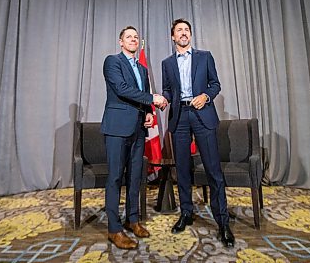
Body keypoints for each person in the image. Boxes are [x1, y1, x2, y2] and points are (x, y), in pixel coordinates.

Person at [161, 18, 235, 247]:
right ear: (173, 37)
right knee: (182, 170)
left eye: (186, 30)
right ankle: (186, 213)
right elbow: (166, 89)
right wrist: (164, 99)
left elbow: (215, 84)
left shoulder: (205, 56)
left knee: (213, 170)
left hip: (202, 115)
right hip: (180, 117)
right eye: (179, 31)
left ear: (190, 35)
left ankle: (222, 222)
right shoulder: (167, 63)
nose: (183, 33)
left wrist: (206, 96)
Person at [101, 26, 168, 250]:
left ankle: (132, 220)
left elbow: (141, 98)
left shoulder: (141, 68)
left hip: (139, 130)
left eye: (136, 37)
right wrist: (154, 98)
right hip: (117, 129)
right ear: (121, 42)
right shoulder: (112, 61)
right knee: (115, 179)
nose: (133, 39)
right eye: (128, 37)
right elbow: (121, 89)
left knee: (136, 178)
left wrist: (149, 112)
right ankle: (114, 229)